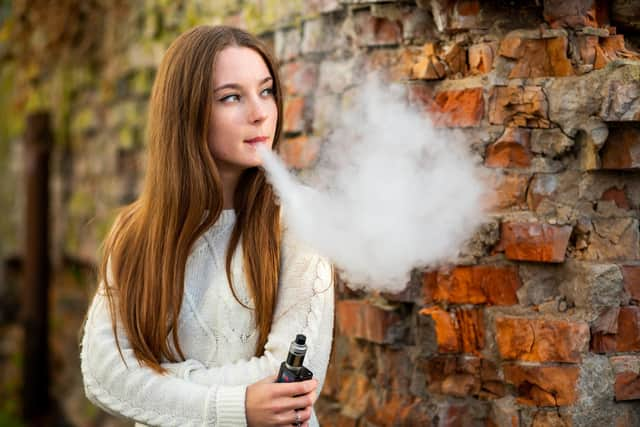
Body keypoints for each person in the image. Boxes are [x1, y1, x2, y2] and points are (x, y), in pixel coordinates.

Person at [79, 25, 334, 427]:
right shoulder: (136, 232)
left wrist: (158, 379)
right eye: (231, 97)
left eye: (266, 90)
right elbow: (104, 376)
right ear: (186, 111)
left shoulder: (303, 217)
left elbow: (288, 383)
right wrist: (236, 407)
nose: (260, 112)